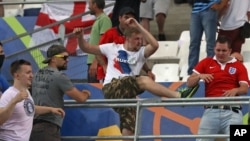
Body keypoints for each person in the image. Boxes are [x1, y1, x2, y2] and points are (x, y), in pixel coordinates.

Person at [73, 17, 199, 140]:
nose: (139, 42)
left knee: (129, 126)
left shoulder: (140, 53)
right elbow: (87, 48)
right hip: (112, 88)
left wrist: (138, 26)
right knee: (143, 80)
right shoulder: (113, 48)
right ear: (127, 39)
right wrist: (80, 38)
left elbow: (155, 45)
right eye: (136, 39)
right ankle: (178, 96)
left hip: (126, 95)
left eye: (141, 39)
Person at [186, 36, 249, 141]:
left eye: (224, 50)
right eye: (218, 50)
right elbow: (189, 83)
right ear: (214, 49)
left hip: (233, 112)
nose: (220, 53)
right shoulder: (206, 62)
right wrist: (199, 76)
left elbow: (245, 88)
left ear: (230, 50)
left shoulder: (239, 66)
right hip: (211, 110)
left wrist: (236, 90)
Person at [30, 45, 91, 141]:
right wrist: (86, 93)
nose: (67, 60)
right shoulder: (60, 76)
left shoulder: (36, 74)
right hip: (48, 127)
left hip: (32, 126)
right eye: (64, 57)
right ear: (53, 59)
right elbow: (80, 98)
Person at [0, 59, 65, 141]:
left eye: (31, 72)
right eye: (28, 73)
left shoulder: (26, 91)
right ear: (17, 76)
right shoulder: (9, 95)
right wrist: (14, 101)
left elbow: (30, 108)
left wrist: (51, 109)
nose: (32, 76)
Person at [97, 7, 155, 82]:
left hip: (126, 76)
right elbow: (97, 51)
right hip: (108, 75)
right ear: (120, 18)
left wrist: (148, 70)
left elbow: (137, 56)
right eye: (126, 17)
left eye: (131, 19)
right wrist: (104, 66)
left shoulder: (134, 37)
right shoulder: (110, 33)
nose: (128, 21)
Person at [187, 0, 228, 75]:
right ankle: (192, 71)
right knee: (194, 43)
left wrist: (219, 6)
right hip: (195, 11)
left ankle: (211, 69)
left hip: (209, 9)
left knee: (210, 43)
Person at [87, 0, 112, 83]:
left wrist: (95, 62)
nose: (88, 7)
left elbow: (103, 43)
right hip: (94, 62)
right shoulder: (100, 20)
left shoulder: (104, 19)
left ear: (95, 5)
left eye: (90, 4)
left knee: (96, 92)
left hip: (97, 63)